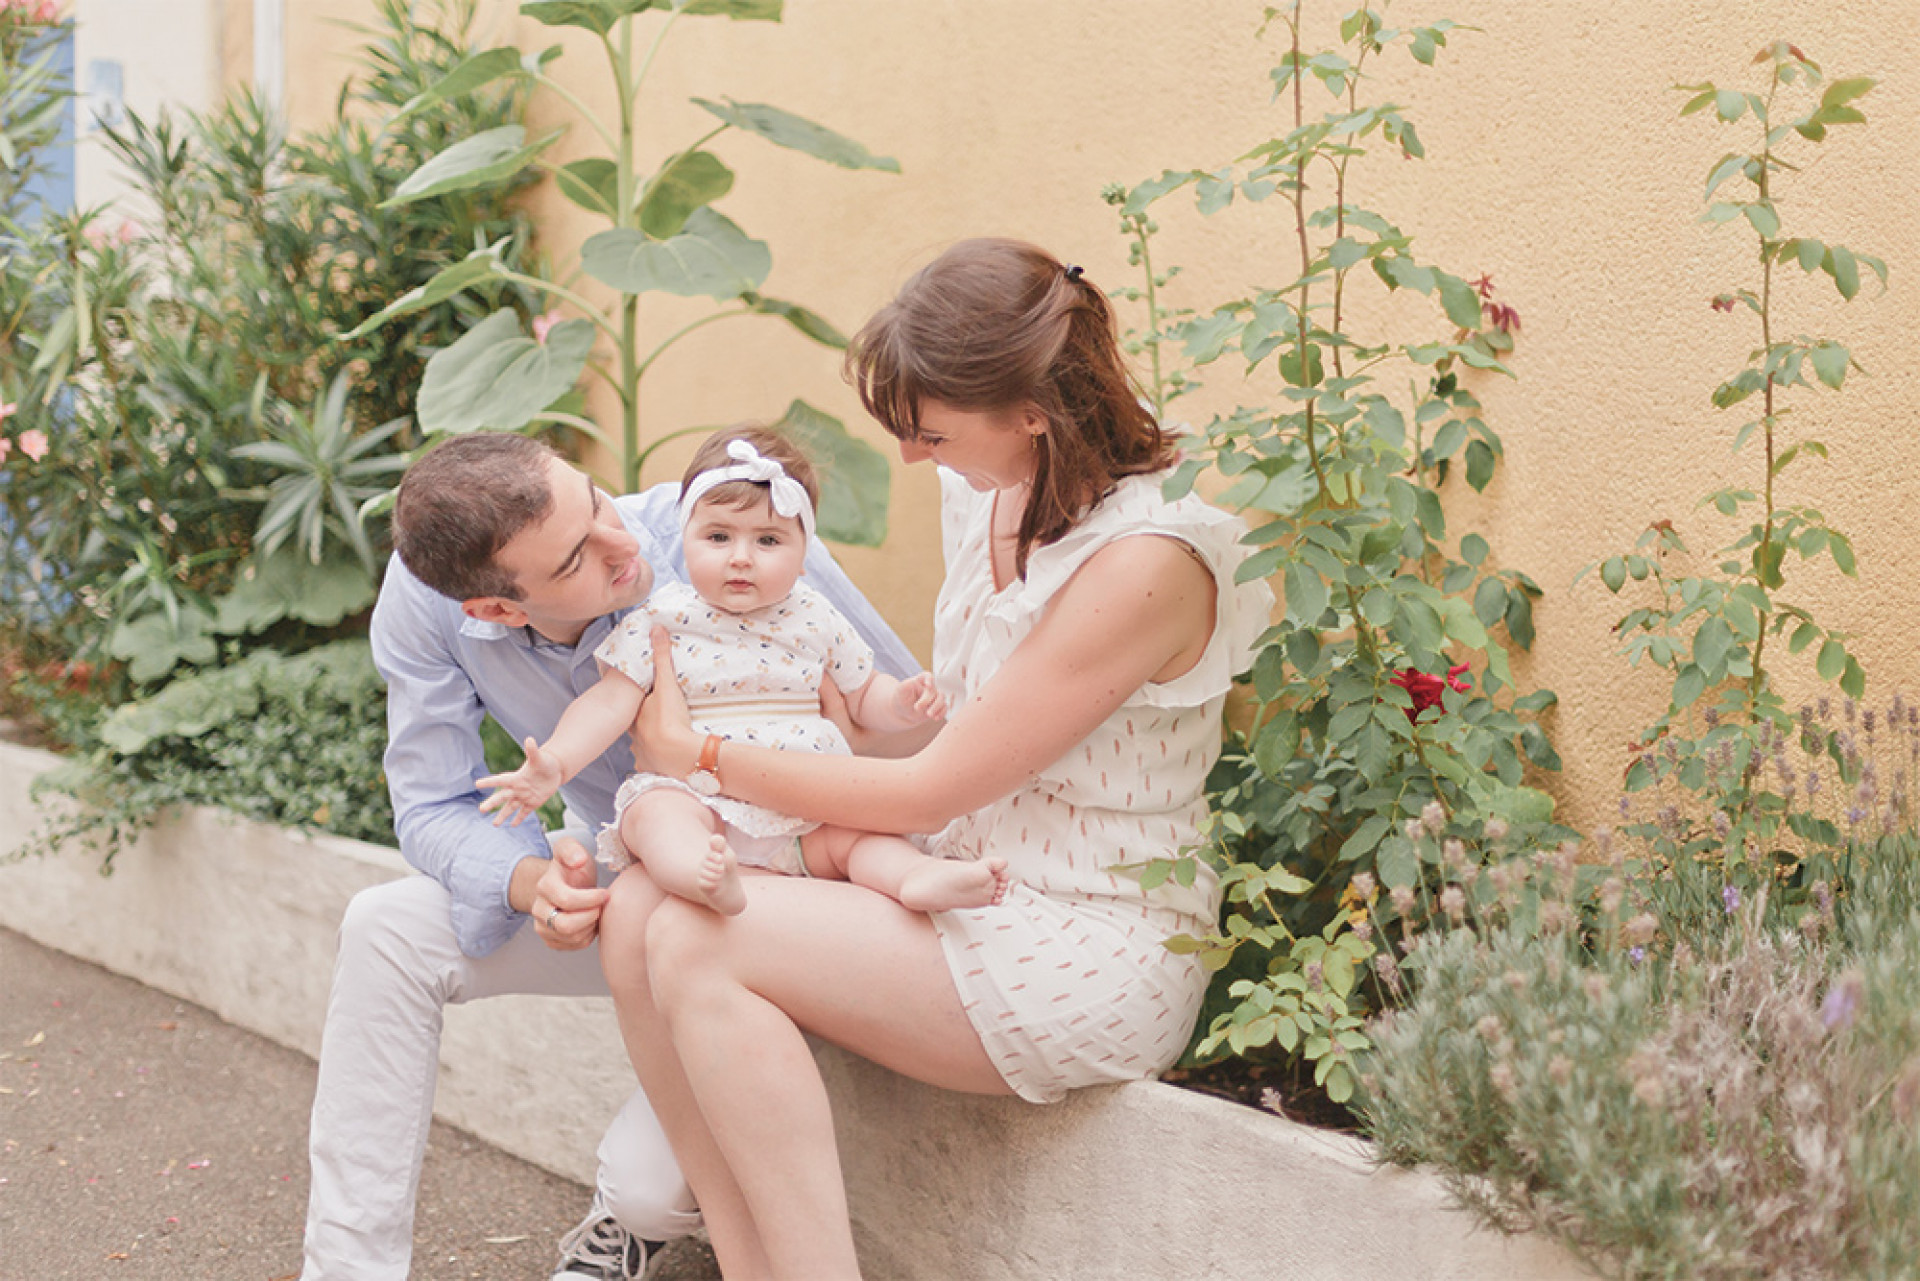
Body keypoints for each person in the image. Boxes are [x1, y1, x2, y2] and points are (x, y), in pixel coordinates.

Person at [594, 237, 1273, 1276]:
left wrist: (701, 752)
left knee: (697, 936)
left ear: (1033, 412)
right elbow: (934, 731)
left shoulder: (1145, 564)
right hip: (960, 882)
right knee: (641, 902)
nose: (914, 458)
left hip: (1085, 934)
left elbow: (931, 786)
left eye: (931, 431)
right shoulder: (987, 488)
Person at [299, 430, 920, 1281]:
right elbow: (432, 802)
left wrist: (748, 767)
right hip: (633, 878)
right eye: (575, 559)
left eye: (595, 501)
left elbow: (910, 731)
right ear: (497, 609)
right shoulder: (428, 601)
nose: (623, 543)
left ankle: (633, 1220)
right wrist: (530, 882)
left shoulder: (730, 524)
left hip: (794, 879)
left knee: (646, 1193)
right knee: (384, 927)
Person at [478, 426, 1010, 916]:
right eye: (718, 537)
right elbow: (609, 702)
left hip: (805, 796)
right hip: (699, 800)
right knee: (653, 815)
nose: (740, 557)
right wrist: (556, 762)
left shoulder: (815, 615)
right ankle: (701, 876)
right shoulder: (663, 617)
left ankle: (915, 877)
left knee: (858, 841)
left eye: (768, 541)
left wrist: (900, 703)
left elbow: (863, 692)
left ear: (804, 556)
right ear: (685, 539)